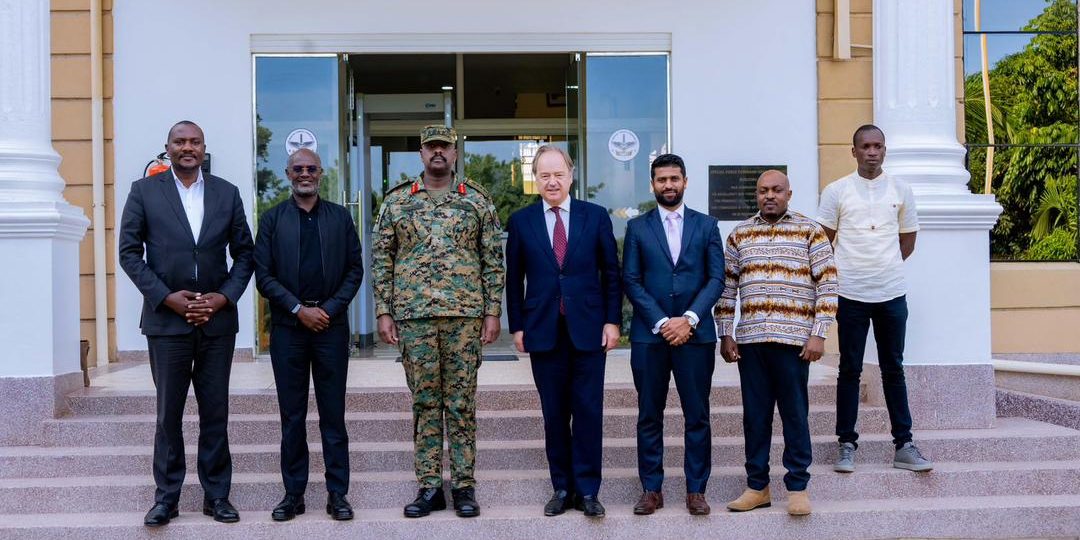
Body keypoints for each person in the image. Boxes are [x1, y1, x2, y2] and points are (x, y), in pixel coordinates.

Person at [118, 120, 254, 527]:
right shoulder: (144, 191)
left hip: (216, 322)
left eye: (195, 141)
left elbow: (245, 254)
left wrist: (223, 297)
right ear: (168, 147)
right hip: (166, 322)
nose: (188, 147)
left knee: (215, 412)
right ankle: (166, 498)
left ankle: (217, 496)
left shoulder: (227, 193)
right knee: (168, 415)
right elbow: (129, 253)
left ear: (204, 148)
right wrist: (166, 297)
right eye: (180, 141)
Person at [372, 125, 504, 519]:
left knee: (461, 403)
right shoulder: (397, 201)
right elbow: (382, 259)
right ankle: (429, 487)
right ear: (421, 152)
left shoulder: (476, 200)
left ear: (455, 152)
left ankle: (463, 486)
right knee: (425, 402)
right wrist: (383, 310)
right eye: (431, 147)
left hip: (465, 316)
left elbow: (492, 259)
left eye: (444, 146)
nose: (438, 153)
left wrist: (492, 311)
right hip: (414, 317)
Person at [505, 145, 622, 518]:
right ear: (535, 179)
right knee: (554, 415)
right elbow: (513, 280)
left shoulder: (595, 216)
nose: (552, 181)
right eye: (544, 175)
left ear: (571, 176)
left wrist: (612, 321)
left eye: (558, 174)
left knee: (587, 412)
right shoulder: (521, 221)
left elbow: (611, 273)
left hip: (589, 330)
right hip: (543, 331)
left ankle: (587, 491)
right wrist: (517, 326)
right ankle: (561, 487)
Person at [717, 170, 837, 517]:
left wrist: (819, 333)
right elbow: (727, 288)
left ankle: (797, 487)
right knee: (755, 418)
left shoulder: (810, 231)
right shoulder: (740, 234)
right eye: (763, 191)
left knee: (794, 415)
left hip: (794, 341)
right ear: (756, 195)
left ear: (789, 194)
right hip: (751, 341)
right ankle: (757, 487)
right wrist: (726, 332)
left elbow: (828, 285)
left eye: (776, 190)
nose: (769, 196)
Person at [254, 148, 364, 522]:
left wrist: (327, 309)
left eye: (311, 169)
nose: (305, 174)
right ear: (288, 174)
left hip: (330, 328)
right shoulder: (272, 220)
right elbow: (263, 275)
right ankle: (293, 494)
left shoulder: (340, 217)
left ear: (320, 174)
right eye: (298, 168)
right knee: (292, 416)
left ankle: (338, 494)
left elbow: (354, 269)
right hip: (289, 330)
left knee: (333, 415)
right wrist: (298, 310)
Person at [818, 124, 933, 474]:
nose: (872, 152)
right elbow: (824, 242)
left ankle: (904, 445)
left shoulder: (901, 189)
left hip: (891, 293)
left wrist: (883, 266)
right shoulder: (837, 191)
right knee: (849, 369)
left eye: (878, 146)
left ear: (885, 150)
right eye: (865, 146)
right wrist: (855, 270)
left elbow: (907, 242)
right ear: (853, 151)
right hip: (850, 294)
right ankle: (846, 444)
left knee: (893, 368)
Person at [622, 153, 725, 516]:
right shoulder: (637, 228)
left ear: (685, 181)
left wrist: (690, 319)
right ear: (652, 184)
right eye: (662, 179)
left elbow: (716, 278)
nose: (668, 185)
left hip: (696, 337)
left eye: (674, 179)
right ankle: (651, 489)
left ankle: (696, 490)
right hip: (650, 337)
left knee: (697, 415)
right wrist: (663, 322)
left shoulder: (707, 225)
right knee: (649, 415)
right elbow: (631, 280)